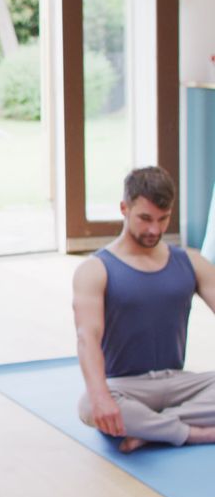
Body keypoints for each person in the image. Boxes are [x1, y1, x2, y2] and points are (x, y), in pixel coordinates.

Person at [74, 166, 215, 453]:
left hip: (178, 382)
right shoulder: (95, 269)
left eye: (163, 219)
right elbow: (87, 338)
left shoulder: (192, 262)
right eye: (145, 218)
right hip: (124, 387)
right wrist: (101, 397)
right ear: (124, 208)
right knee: (89, 405)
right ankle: (192, 433)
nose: (154, 230)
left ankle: (155, 431)